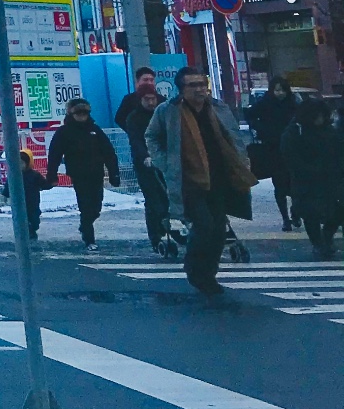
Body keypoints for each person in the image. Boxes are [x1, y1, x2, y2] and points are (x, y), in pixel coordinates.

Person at [146, 66, 256, 295]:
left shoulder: (217, 107)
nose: (199, 89)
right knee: (204, 226)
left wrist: (241, 160)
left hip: (219, 177)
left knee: (217, 230)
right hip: (189, 180)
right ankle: (195, 270)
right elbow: (152, 136)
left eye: (202, 84)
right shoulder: (168, 111)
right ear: (181, 89)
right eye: (193, 85)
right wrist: (164, 162)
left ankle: (208, 274)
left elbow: (233, 136)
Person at [46, 97, 122, 248]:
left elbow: (109, 152)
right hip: (79, 175)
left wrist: (114, 173)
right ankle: (89, 238)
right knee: (86, 206)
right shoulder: (64, 132)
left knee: (96, 207)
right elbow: (54, 154)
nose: (81, 115)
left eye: (84, 112)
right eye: (78, 112)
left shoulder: (95, 130)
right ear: (71, 113)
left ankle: (85, 225)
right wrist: (51, 176)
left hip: (96, 173)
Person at [281, 96, 344, 259]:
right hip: (306, 180)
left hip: (330, 179)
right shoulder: (295, 131)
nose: (321, 119)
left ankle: (326, 237)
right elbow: (291, 157)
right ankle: (318, 243)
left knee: (337, 211)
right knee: (310, 214)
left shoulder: (329, 131)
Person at [115, 67, 170, 251]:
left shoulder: (163, 102)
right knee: (153, 198)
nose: (148, 83)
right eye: (145, 80)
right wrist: (135, 136)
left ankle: (172, 231)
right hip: (144, 158)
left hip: (164, 158)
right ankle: (157, 236)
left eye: (151, 80)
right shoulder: (130, 105)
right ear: (137, 81)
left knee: (170, 195)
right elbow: (121, 120)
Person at [245, 77, 299, 231]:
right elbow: (250, 115)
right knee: (280, 185)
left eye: (282, 90)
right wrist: (261, 128)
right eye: (277, 90)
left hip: (291, 150)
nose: (280, 93)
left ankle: (296, 212)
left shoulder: (293, 104)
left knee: (295, 184)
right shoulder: (265, 103)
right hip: (273, 150)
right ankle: (286, 219)